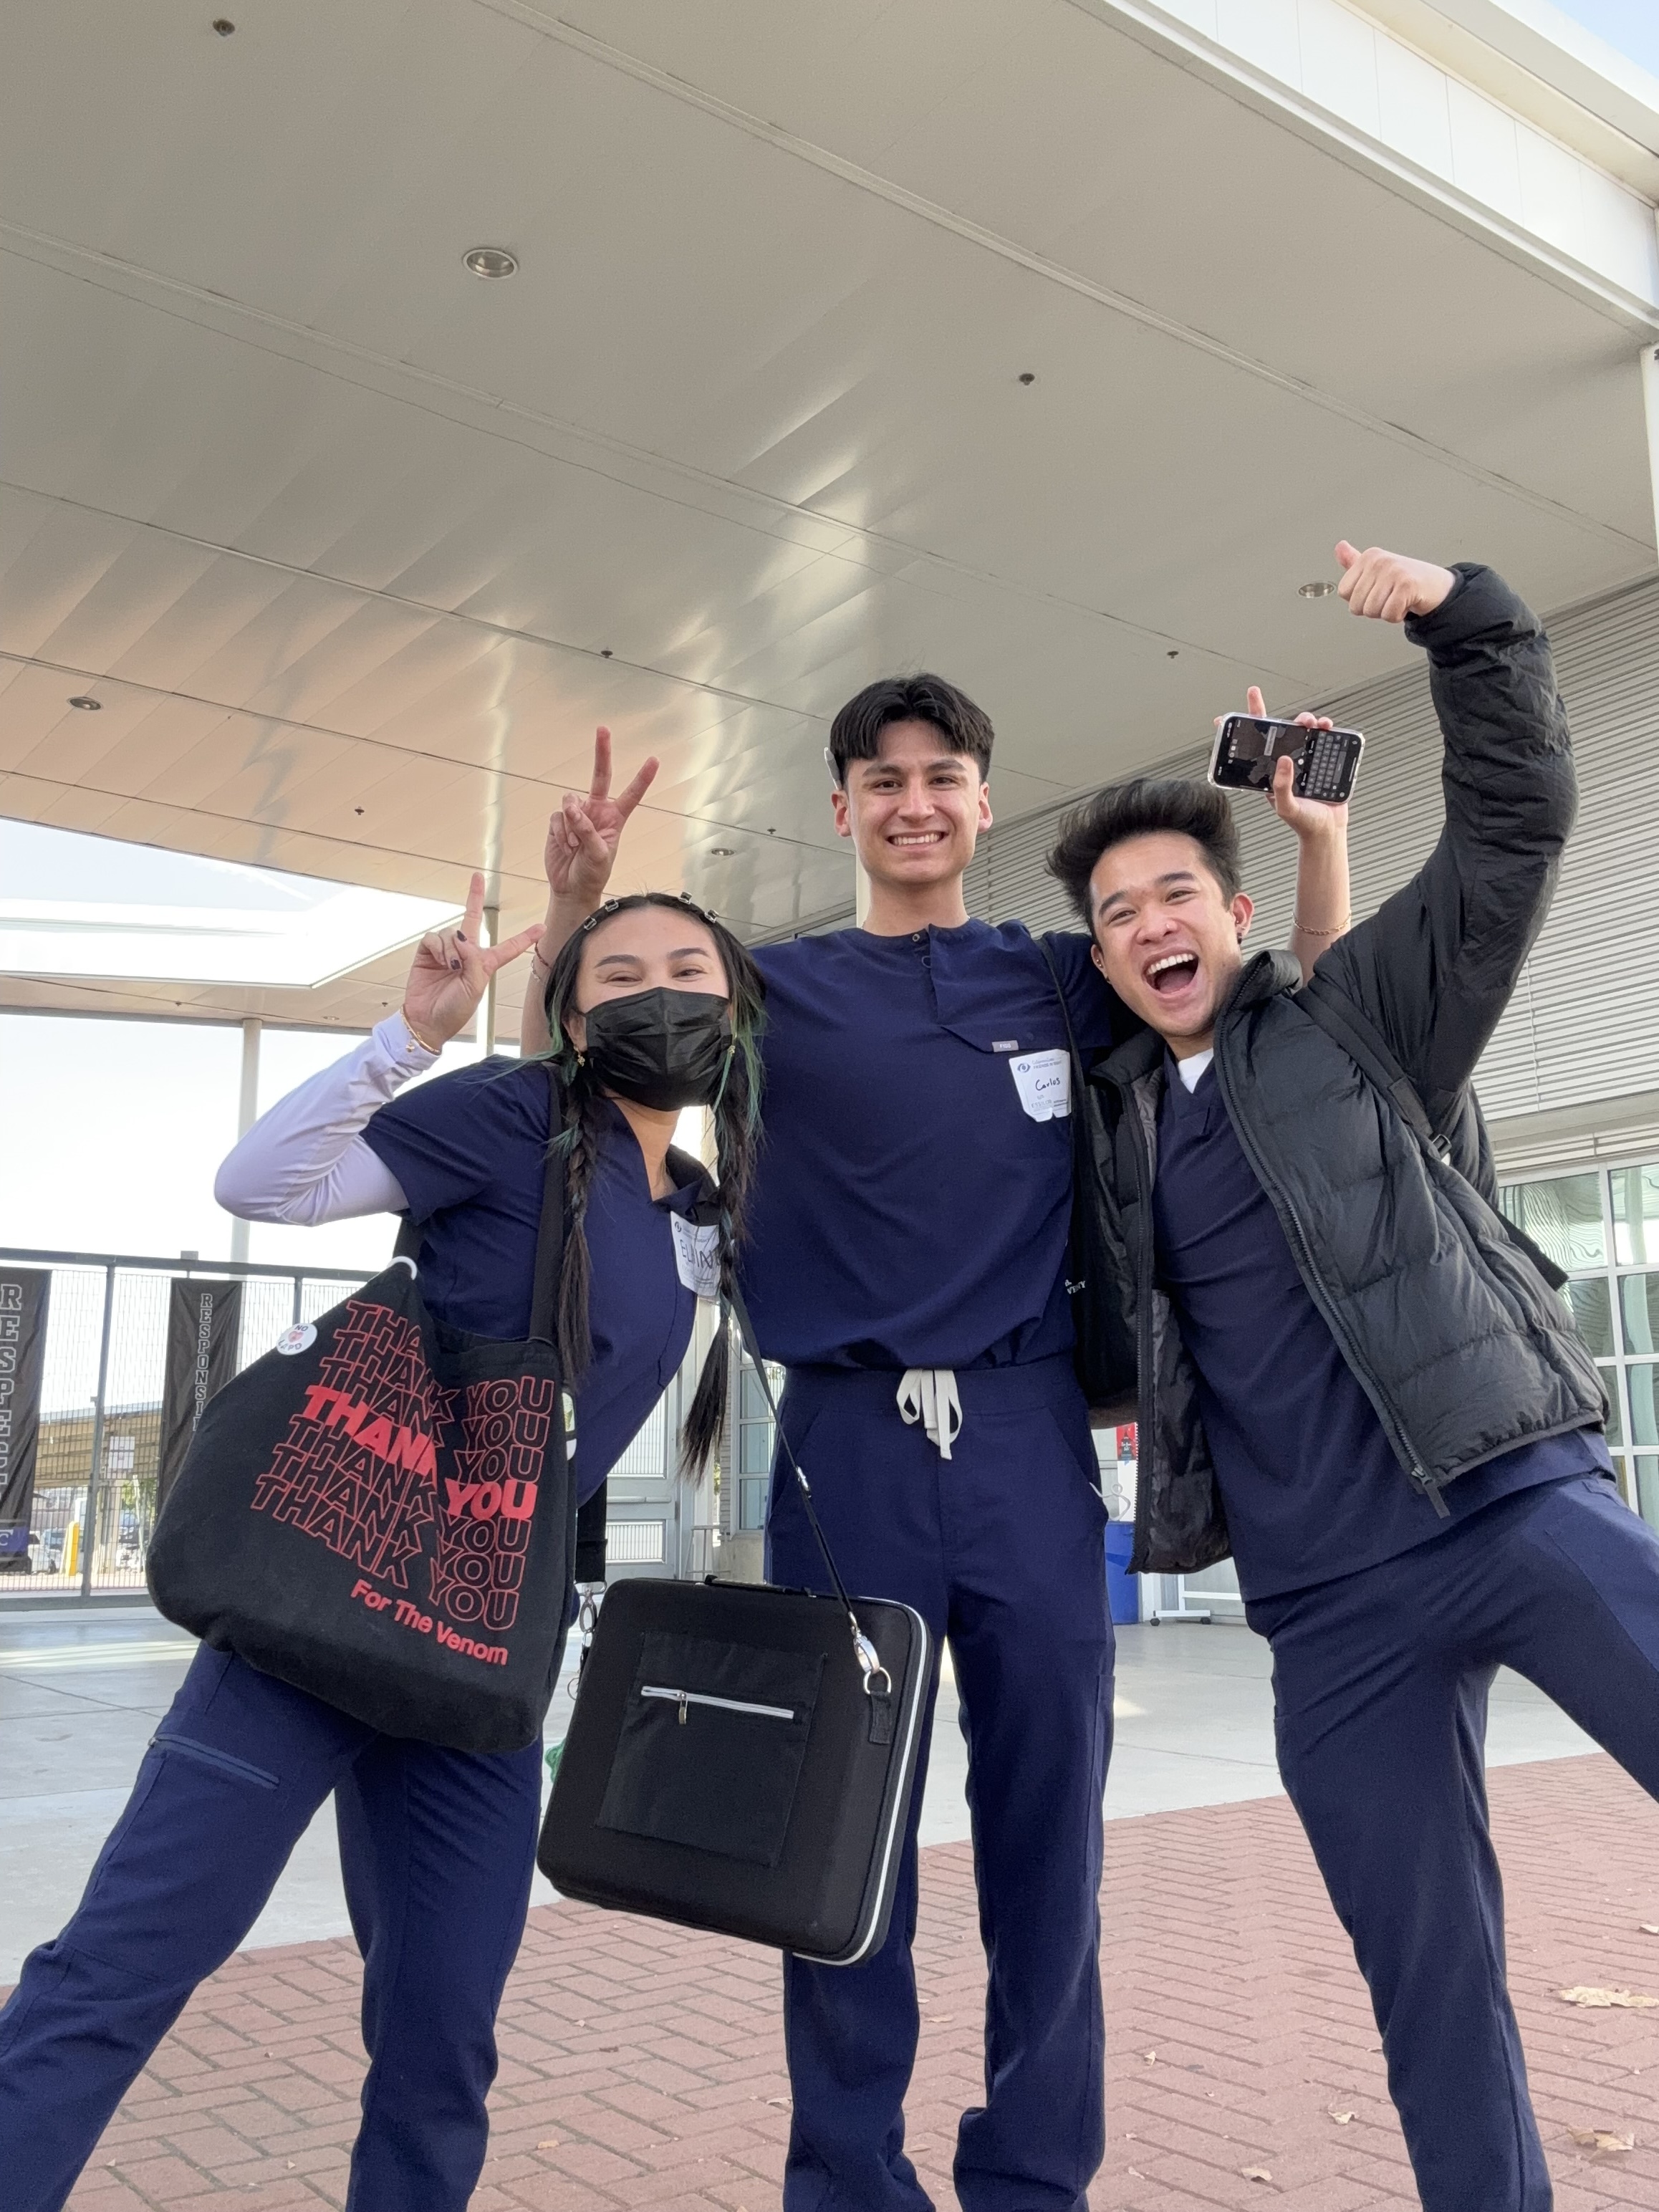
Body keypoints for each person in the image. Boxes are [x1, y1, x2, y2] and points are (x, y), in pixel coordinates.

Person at [522, 701, 1350, 2210]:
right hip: (844, 1446)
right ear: (841, 811)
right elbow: (584, 1069)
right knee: (841, 1840)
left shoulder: (1055, 975)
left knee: (1052, 1835)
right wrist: (577, 907)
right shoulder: (767, 990)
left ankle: (1035, 2172)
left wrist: (1315, 841)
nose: (915, 804)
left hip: (1032, 1438)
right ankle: (846, 2175)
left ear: (983, 803)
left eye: (943, 780)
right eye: (883, 782)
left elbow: (1261, 1018)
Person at [0, 872, 766, 2212]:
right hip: (329, 1601)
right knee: (121, 1970)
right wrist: (409, 1037)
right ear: (574, 1025)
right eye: (621, 977)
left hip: (484, 1651)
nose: (661, 996)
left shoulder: (701, 1209)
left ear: (738, 1003)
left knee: (442, 2034)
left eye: (689, 973)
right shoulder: (513, 1115)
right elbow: (264, 1185)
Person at [1052, 540, 1653, 2212]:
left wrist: (1471, 617)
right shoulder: (1111, 1150)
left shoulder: (1354, 1023)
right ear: (1102, 964)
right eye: (1114, 913)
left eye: (1175, 891)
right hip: (1328, 1620)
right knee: (1428, 1993)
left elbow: (1515, 828)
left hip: (1509, 1501)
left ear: (1232, 916)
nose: (1147, 921)